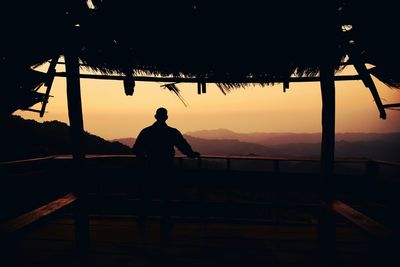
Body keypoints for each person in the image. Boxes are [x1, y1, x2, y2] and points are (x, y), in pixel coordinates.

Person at [132, 107, 200, 246]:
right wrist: (192, 155)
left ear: (155, 116)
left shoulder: (147, 132)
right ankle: (165, 220)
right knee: (166, 195)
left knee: (147, 194)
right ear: (166, 117)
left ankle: (142, 218)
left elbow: (136, 149)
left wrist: (143, 160)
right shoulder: (172, 132)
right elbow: (184, 147)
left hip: (151, 166)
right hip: (167, 167)